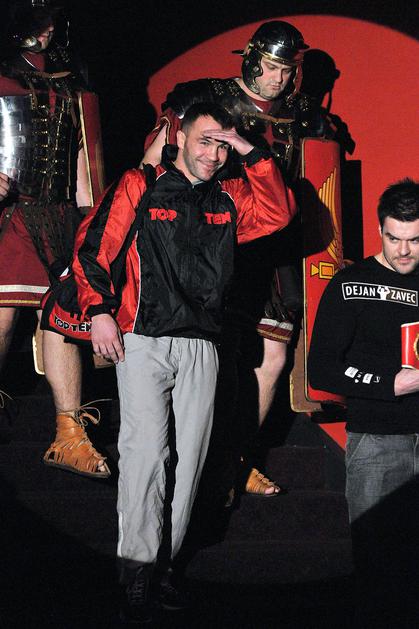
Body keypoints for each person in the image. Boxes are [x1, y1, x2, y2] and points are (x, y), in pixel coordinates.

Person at [72, 102, 296, 623]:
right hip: (142, 339)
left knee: (190, 463)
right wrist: (99, 311)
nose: (214, 154)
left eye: (222, 145)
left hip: (203, 344)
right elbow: (92, 246)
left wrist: (247, 148)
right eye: (205, 141)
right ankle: (136, 571)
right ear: (180, 138)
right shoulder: (142, 183)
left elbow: (279, 213)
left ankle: (164, 568)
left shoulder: (229, 196)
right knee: (146, 456)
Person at [142, 20, 332, 497]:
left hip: (275, 243)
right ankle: (191, 452)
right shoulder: (206, 97)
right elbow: (156, 161)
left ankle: (237, 457)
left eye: (286, 70)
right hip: (215, 234)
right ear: (250, 59)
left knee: (275, 353)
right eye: (270, 66)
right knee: (212, 351)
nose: (277, 79)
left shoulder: (305, 115)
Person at [0, 0, 109, 476]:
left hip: (60, 216)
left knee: (62, 318)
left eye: (50, 21)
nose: (43, 31)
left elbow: (82, 158)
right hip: (10, 214)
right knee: (3, 313)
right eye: (35, 20)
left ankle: (69, 433)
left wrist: (91, 225)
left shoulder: (70, 83)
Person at [308, 179, 419, 626]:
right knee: (376, 565)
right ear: (379, 229)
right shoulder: (351, 283)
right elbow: (321, 370)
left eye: (415, 240)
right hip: (377, 440)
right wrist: (390, 383)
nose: (403, 251)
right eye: (394, 238)